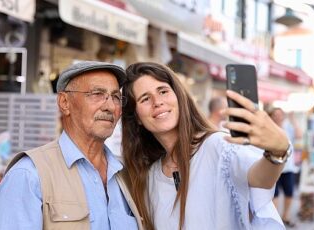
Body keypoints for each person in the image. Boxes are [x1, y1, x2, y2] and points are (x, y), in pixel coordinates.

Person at [121, 62, 290, 229]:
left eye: (163, 91)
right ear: (136, 117)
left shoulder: (216, 146)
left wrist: (278, 151)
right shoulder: (149, 176)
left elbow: (259, 179)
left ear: (178, 97)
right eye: (145, 99)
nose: (157, 102)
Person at [0, 61, 143, 229]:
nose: (109, 106)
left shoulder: (125, 176)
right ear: (64, 102)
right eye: (97, 94)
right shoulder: (29, 175)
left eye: (115, 97)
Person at [269, 107, 301, 227]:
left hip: (288, 167)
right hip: (272, 166)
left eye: (280, 114)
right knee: (274, 194)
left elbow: (299, 135)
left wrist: (293, 119)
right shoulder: (269, 128)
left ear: (283, 116)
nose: (278, 117)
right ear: (271, 116)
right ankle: (275, 219)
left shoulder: (288, 127)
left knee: (289, 193)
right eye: (275, 114)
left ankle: (286, 216)